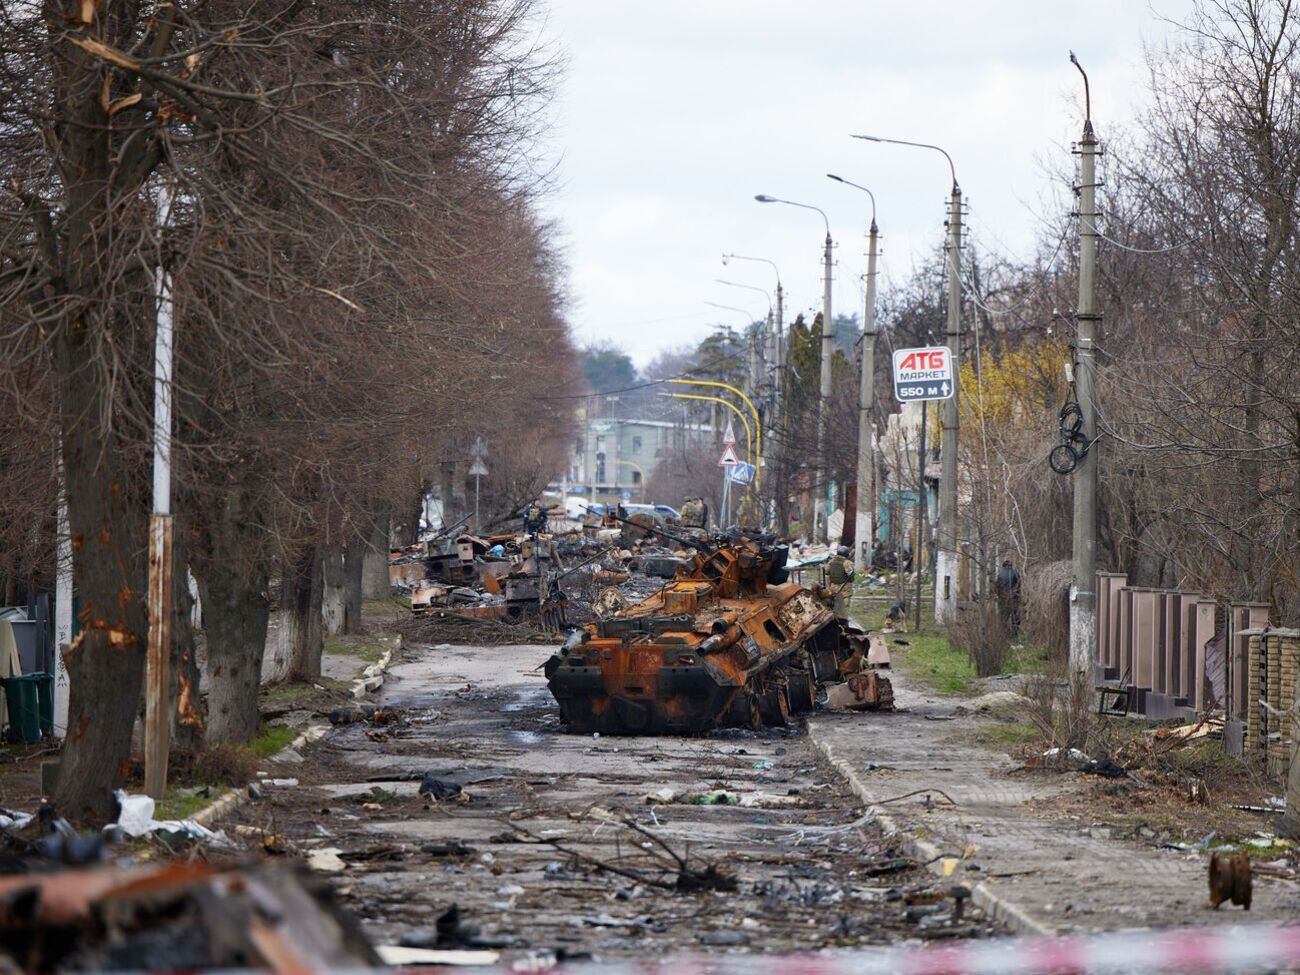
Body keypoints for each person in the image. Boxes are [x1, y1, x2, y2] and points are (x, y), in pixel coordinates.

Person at [994, 558, 1022, 635]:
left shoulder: (1000, 574)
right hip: (1014, 598)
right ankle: (1015, 633)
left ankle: (1004, 633)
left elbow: (997, 587)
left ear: (1004, 565)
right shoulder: (1016, 573)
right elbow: (1019, 585)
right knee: (1015, 616)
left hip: (1003, 597)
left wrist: (999, 595)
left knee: (1003, 617)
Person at [827, 545, 855, 620]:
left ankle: (834, 618)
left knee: (834, 604)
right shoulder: (847, 563)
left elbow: (827, 572)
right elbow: (851, 576)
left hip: (833, 587)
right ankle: (843, 620)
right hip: (844, 588)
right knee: (844, 605)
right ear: (846, 554)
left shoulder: (831, 561)